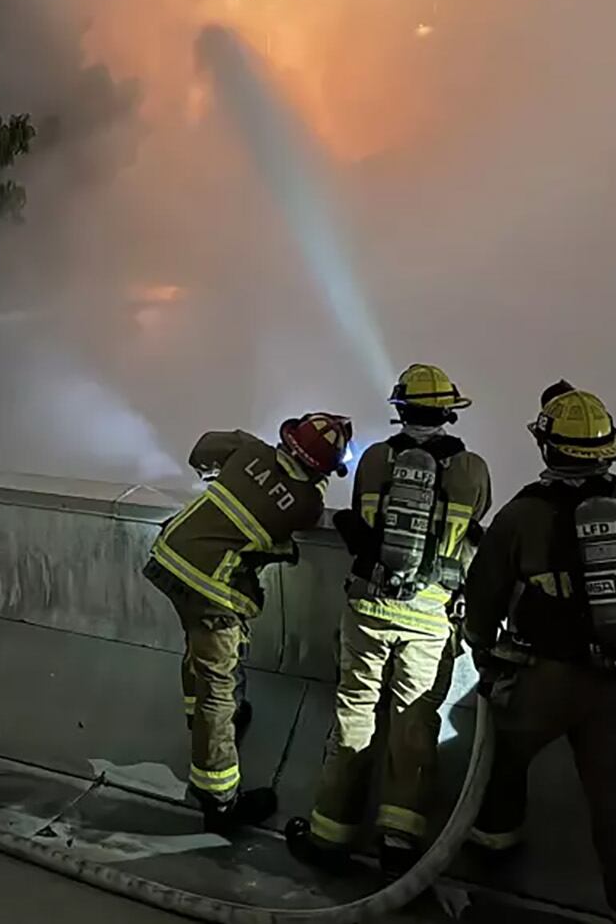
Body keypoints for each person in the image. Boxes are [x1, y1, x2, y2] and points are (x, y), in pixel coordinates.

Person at [460, 382, 616, 924]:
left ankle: (491, 867)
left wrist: (484, 649)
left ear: (547, 447)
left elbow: (483, 594)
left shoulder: (522, 514)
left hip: (544, 676)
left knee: (500, 764)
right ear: (608, 450)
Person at [287, 364, 492, 875]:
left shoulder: (376, 458)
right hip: (430, 616)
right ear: (447, 413)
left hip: (369, 608)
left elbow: (363, 517)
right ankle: (399, 841)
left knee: (356, 713)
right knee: (414, 722)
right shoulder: (472, 469)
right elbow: (473, 527)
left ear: (401, 410)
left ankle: (330, 833)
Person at [144, 411, 353, 833]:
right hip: (211, 589)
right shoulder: (307, 503)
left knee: (198, 652)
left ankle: (203, 722)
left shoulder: (250, 450)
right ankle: (220, 801)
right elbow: (299, 510)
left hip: (169, 559)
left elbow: (202, 450)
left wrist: (244, 461)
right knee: (217, 686)